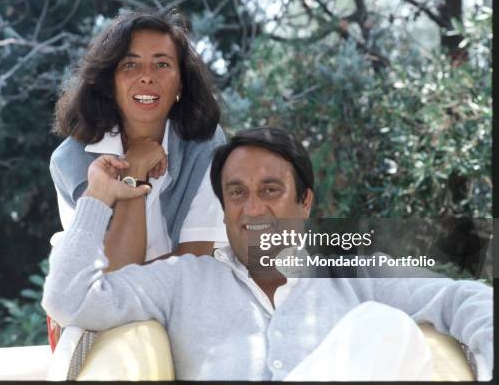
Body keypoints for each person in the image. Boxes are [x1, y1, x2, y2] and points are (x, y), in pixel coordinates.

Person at [42, 127, 493, 380]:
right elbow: (69, 299)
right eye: (236, 193)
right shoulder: (183, 280)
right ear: (223, 210)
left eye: (271, 190)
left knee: (385, 328)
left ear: (306, 203)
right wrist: (98, 198)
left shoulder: (348, 265)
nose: (253, 209)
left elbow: (463, 299)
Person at [46, 8, 228, 349]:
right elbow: (105, 284)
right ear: (109, 82)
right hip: (104, 330)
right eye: (130, 65)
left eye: (162, 64)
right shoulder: (70, 163)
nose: (147, 76)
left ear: (180, 83)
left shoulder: (205, 145)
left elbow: (196, 262)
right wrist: (134, 172)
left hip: (188, 316)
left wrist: (112, 285)